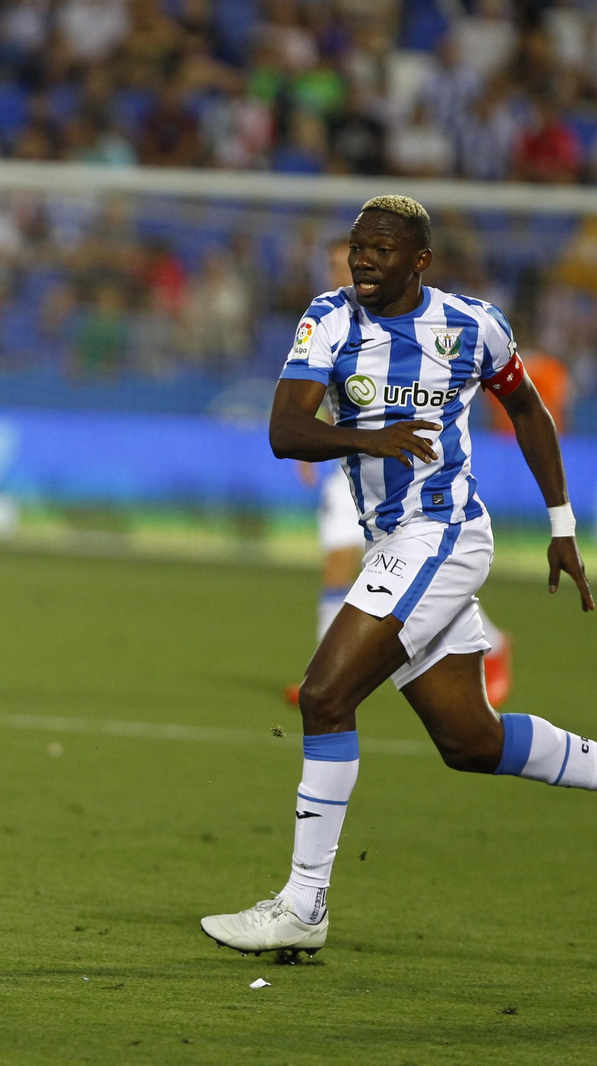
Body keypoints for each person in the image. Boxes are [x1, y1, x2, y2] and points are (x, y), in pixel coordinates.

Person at [202, 195, 592, 956]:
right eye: (357, 248)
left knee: (324, 695)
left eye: (381, 249)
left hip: (444, 533)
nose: (363, 261)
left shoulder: (472, 325)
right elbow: (285, 429)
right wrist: (368, 438)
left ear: (419, 260)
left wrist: (561, 523)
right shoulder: (329, 318)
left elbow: (527, 409)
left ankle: (303, 906)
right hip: (393, 540)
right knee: (471, 741)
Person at [284, 238, 511, 708]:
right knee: (344, 558)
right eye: (333, 265)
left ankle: (329, 675)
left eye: (344, 264)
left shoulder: (409, 321)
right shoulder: (329, 319)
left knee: (407, 573)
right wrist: (312, 443)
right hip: (354, 467)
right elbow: (330, 391)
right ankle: (325, 672)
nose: (340, 273)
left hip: (409, 473)